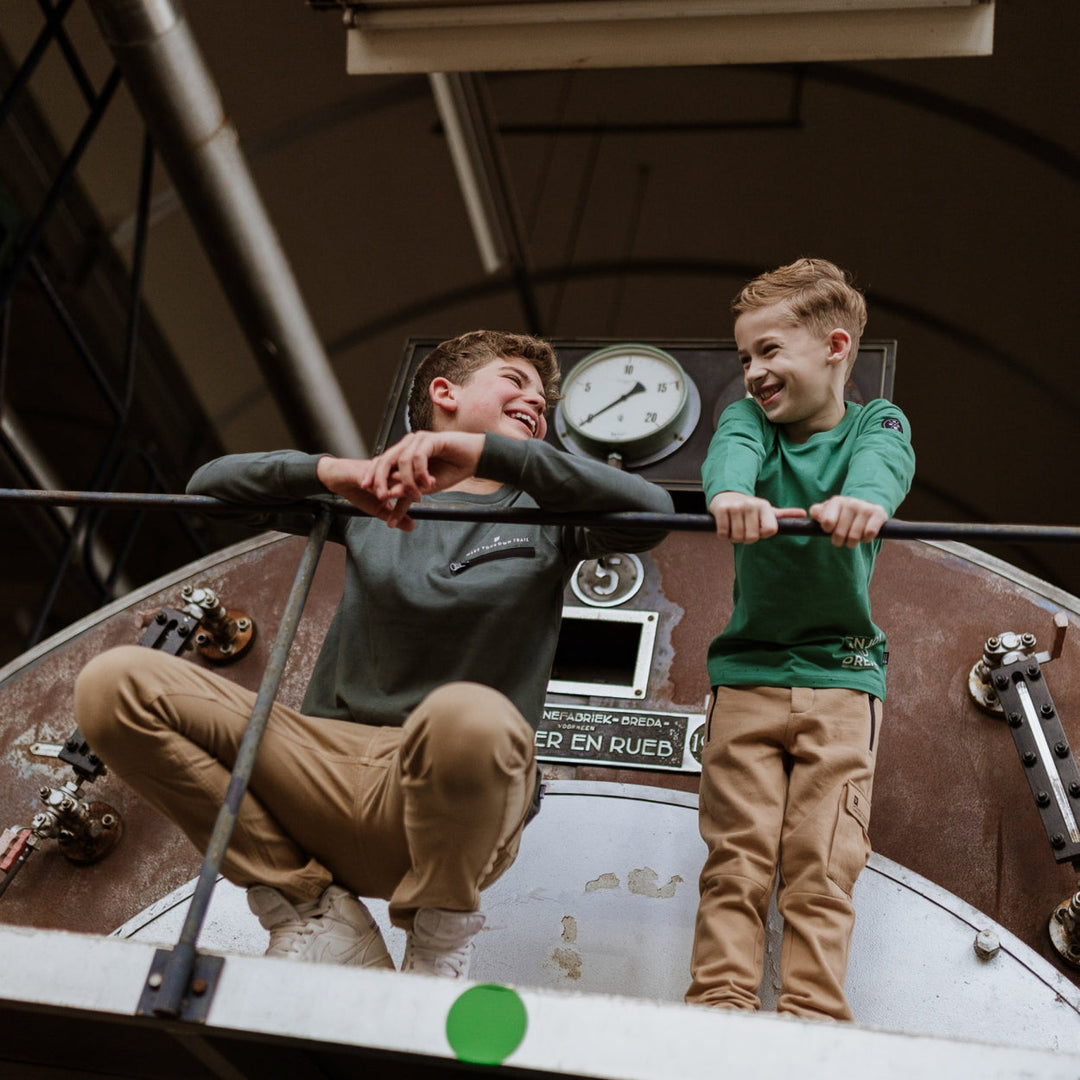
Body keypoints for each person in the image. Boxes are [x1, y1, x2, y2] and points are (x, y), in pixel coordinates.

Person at [75, 330, 673, 979]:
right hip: (319, 774)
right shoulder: (370, 500)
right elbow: (209, 488)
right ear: (445, 392)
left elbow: (651, 512)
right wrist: (331, 472)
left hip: (444, 796)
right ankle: (309, 911)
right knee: (114, 682)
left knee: (470, 714)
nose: (537, 402)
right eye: (515, 381)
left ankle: (439, 937)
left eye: (544, 397)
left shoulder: (551, 513)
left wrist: (490, 451)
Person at [686, 259, 915, 1020]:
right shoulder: (748, 424)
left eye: (770, 351)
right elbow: (729, 457)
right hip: (747, 672)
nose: (753, 371)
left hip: (844, 677)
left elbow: (886, 462)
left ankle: (812, 1019)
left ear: (835, 348)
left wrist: (865, 502)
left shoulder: (874, 423)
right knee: (736, 858)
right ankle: (719, 1002)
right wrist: (728, 494)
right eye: (746, 356)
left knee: (822, 861)